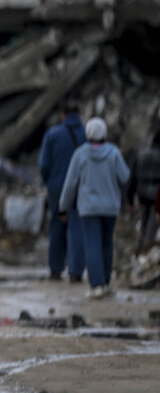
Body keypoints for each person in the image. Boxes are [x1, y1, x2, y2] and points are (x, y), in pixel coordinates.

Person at [59, 118, 130, 299]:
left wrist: (63, 207)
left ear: (88, 134)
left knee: (92, 245)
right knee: (107, 244)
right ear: (104, 133)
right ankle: (105, 283)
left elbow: (70, 184)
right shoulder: (114, 153)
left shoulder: (80, 155)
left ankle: (96, 285)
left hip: (88, 208)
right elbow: (125, 177)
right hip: (110, 207)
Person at [39, 103, 86, 282]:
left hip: (57, 187)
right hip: (80, 188)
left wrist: (48, 181)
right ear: (79, 115)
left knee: (57, 227)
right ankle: (75, 272)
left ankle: (56, 269)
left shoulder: (52, 134)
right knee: (77, 227)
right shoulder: (86, 134)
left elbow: (43, 164)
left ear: (63, 115)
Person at [126, 129, 160, 254]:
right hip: (156, 198)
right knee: (152, 227)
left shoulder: (141, 155)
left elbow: (133, 178)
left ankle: (139, 250)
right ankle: (146, 252)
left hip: (142, 196)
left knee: (143, 223)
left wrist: (130, 199)